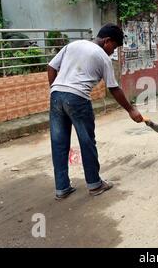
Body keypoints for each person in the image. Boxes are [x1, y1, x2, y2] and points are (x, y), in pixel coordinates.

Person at [47, 23, 143, 200]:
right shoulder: (102, 56)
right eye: (113, 47)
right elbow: (114, 88)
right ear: (107, 41)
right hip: (77, 98)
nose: (112, 52)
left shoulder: (73, 45)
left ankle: (62, 188)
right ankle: (94, 184)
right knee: (86, 142)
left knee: (59, 143)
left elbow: (51, 67)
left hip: (56, 95)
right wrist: (131, 110)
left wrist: (55, 89)